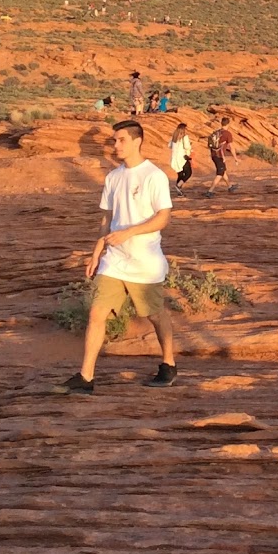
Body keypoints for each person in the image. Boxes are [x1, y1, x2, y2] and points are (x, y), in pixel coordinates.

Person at [56, 119, 177, 394]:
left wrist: (130, 232)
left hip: (145, 263)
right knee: (97, 313)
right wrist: (96, 251)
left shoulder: (153, 176)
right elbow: (107, 218)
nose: (116, 145)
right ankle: (86, 377)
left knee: (155, 315)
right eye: (114, 140)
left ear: (137, 141)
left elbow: (163, 218)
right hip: (114, 260)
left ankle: (168, 364)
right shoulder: (113, 177)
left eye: (121, 139)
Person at [206, 117, 236, 194]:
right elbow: (231, 147)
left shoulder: (216, 132)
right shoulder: (227, 134)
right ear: (228, 124)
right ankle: (210, 191)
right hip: (219, 156)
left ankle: (230, 187)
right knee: (220, 173)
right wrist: (235, 158)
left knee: (223, 171)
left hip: (214, 155)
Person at [167, 122, 194, 197]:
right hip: (182, 158)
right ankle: (178, 186)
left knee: (180, 174)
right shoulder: (184, 137)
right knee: (188, 173)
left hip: (175, 159)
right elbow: (187, 147)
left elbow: (169, 145)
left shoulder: (174, 137)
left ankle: (179, 191)